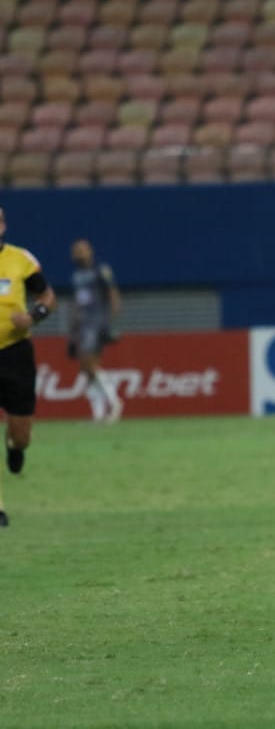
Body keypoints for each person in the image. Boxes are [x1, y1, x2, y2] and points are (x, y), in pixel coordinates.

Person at [0, 208, 57, 527]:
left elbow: (47, 296)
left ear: (3, 226)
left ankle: (13, 446)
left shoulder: (21, 259)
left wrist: (33, 316)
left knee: (22, 435)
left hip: (15, 354)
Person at [69, 238, 124, 423]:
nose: (78, 254)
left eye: (81, 250)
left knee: (90, 364)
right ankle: (98, 413)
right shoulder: (77, 276)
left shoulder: (100, 270)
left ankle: (114, 402)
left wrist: (111, 322)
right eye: (75, 251)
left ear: (90, 252)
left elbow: (113, 294)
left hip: (96, 322)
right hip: (83, 324)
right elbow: (77, 303)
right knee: (86, 368)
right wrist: (73, 330)